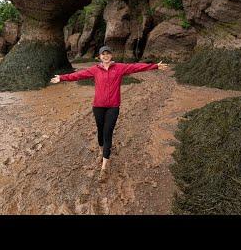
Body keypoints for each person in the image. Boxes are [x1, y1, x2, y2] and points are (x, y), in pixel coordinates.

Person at [50, 46, 168, 183]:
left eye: (108, 53)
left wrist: (155, 66)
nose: (105, 56)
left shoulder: (120, 68)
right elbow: (78, 75)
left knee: (108, 133)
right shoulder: (94, 70)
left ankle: (104, 167)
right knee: (100, 132)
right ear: (99, 57)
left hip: (113, 107)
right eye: (103, 54)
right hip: (98, 107)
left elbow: (136, 67)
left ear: (111, 55)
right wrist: (62, 78)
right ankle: (102, 150)